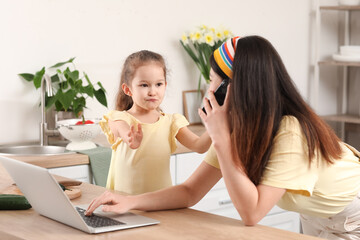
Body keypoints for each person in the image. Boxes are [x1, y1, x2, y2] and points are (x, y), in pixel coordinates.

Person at [87, 36, 360, 239]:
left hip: (352, 217)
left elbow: (251, 214)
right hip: (316, 215)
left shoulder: (290, 131)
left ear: (231, 88)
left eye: (212, 81)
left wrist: (221, 139)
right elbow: (190, 191)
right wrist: (129, 202)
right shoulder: (236, 127)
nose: (209, 89)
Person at [100, 50, 211, 195]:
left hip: (160, 204)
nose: (153, 91)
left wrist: (218, 126)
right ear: (128, 89)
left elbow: (199, 146)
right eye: (144, 85)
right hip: (124, 205)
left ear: (165, 85)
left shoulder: (172, 122)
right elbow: (123, 130)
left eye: (158, 84)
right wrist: (130, 138)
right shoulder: (118, 118)